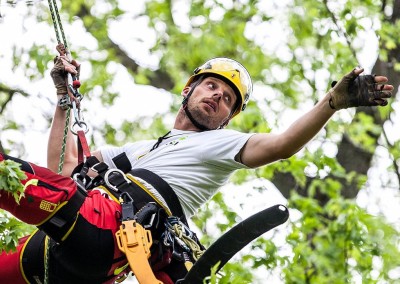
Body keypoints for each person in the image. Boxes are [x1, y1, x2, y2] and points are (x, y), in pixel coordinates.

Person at [0, 48, 393, 284]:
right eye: (211, 86)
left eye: (227, 99)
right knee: (25, 187)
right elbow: (66, 168)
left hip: (110, 234)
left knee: (6, 173)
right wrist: (63, 98)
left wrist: (332, 103)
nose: (217, 96)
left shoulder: (220, 145)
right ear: (188, 89)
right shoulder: (136, 151)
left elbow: (282, 145)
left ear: (227, 119)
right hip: (56, 254)